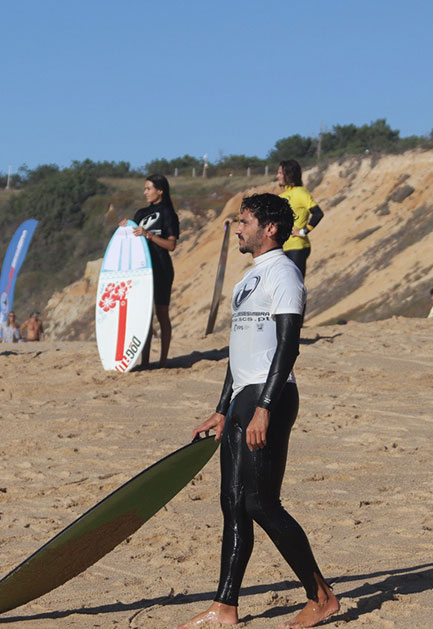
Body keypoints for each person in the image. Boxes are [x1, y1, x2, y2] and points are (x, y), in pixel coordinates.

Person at [178, 193, 339, 629]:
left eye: (244, 220)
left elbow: (288, 345)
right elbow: (240, 351)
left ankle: (321, 595)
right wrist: (222, 407)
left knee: (261, 502)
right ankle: (225, 607)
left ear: (269, 228)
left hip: (272, 395)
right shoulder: (248, 279)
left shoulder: (284, 273)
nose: (237, 227)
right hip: (243, 396)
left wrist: (265, 406)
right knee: (232, 502)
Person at [123, 174, 180, 368]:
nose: (145, 192)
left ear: (160, 190)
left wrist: (148, 235)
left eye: (149, 188)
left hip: (162, 269)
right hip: (142, 271)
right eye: (145, 188)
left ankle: (163, 361)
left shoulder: (168, 214)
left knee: (161, 313)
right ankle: (145, 360)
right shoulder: (140, 214)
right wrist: (124, 228)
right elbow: (131, 239)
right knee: (144, 315)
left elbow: (171, 245)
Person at [277, 160, 324, 279]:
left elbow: (318, 213)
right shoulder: (282, 196)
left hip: (298, 247)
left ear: (289, 174)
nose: (277, 176)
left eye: (280, 173)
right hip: (283, 248)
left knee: (296, 286)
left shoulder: (300, 193)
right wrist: (236, 219)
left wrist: (303, 231)